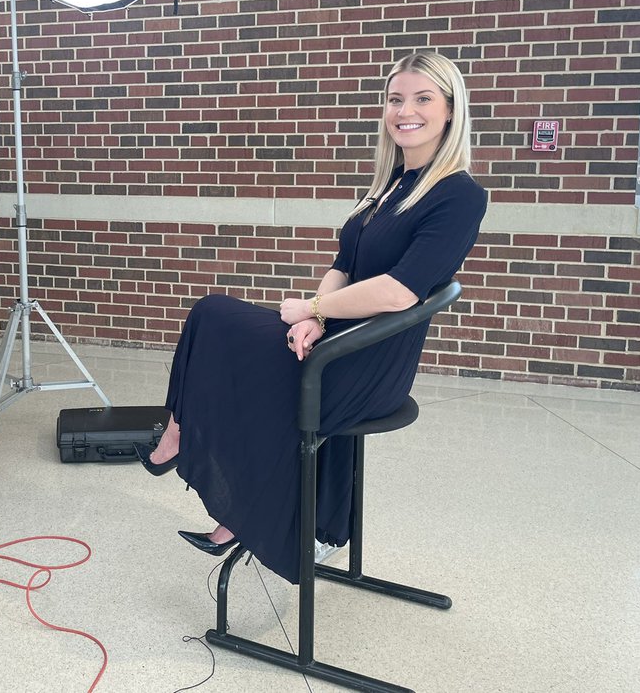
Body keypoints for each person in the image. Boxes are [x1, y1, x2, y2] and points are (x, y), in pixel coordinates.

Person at [136, 51, 487, 583]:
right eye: (395, 99)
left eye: (422, 98)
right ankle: (225, 489)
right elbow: (343, 265)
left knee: (215, 316)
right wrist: (317, 319)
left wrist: (313, 310)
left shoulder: (458, 195)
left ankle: (185, 443)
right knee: (216, 324)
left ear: (450, 109)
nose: (404, 111)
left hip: (367, 363)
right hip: (335, 339)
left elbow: (398, 293)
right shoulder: (392, 183)